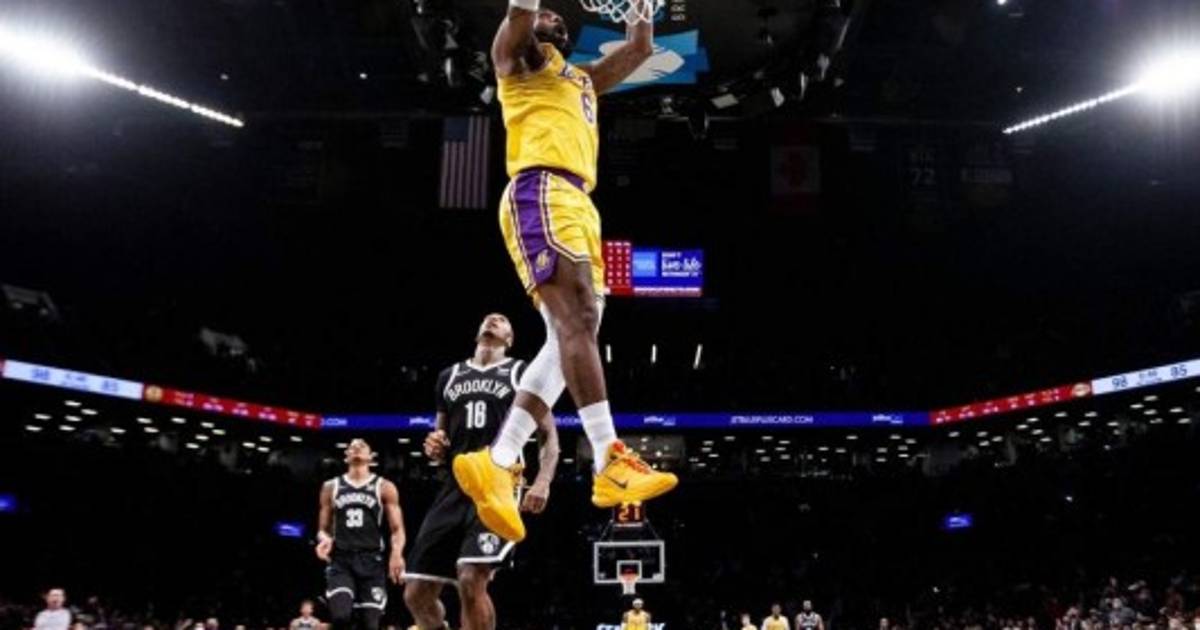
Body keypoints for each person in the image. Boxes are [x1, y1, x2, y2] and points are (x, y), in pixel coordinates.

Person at [451, 0, 678, 544]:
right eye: (544, 13)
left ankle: (498, 459)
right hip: (541, 188)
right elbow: (519, 15)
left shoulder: (581, 78)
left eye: (556, 15)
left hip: (578, 200)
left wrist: (641, 7)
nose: (550, 15)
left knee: (571, 333)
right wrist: (527, 11)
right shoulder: (516, 61)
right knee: (577, 320)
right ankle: (608, 457)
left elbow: (641, 47)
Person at [404, 314, 559, 630]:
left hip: (499, 482)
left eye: (501, 321)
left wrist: (543, 481)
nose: (493, 321)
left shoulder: (521, 372)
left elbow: (548, 434)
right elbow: (439, 436)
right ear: (477, 334)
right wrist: (434, 445)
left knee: (471, 578)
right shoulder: (448, 376)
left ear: (509, 340)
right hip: (455, 484)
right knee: (416, 593)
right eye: (488, 319)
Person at [316, 439, 407, 629]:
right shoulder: (331, 487)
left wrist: (397, 553)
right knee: (341, 617)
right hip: (341, 559)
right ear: (346, 456)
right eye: (352, 446)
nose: (357, 447)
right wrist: (324, 539)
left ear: (371, 457)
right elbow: (323, 529)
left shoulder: (385, 487)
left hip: (372, 560)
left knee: (370, 624)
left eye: (362, 446)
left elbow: (397, 529)